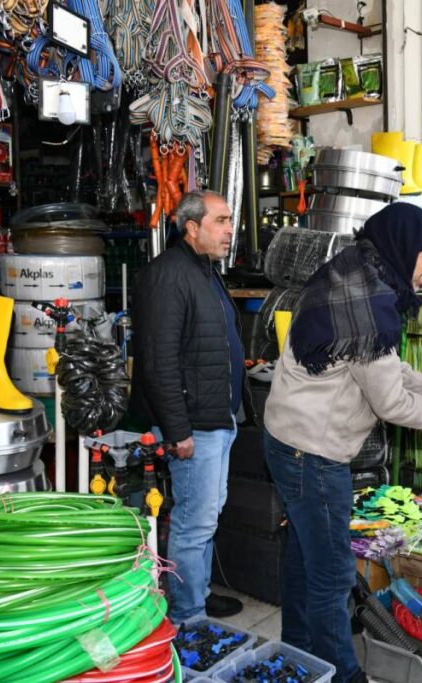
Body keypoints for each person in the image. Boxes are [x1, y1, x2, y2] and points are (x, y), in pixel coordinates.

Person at [263, 203, 422, 683]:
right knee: (329, 577)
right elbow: (394, 404)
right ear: (402, 250)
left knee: (307, 561)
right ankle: (343, 676)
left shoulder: (351, 277)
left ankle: (299, 659)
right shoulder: (366, 306)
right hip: (313, 455)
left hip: (289, 442)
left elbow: (388, 367)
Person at [130, 190, 251, 622]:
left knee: (207, 516)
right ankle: (186, 615)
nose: (230, 229)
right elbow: (158, 360)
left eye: (230, 220)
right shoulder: (168, 275)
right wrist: (177, 429)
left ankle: (195, 592)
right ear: (192, 227)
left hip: (216, 418)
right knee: (193, 522)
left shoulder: (204, 270)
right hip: (193, 424)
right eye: (221, 221)